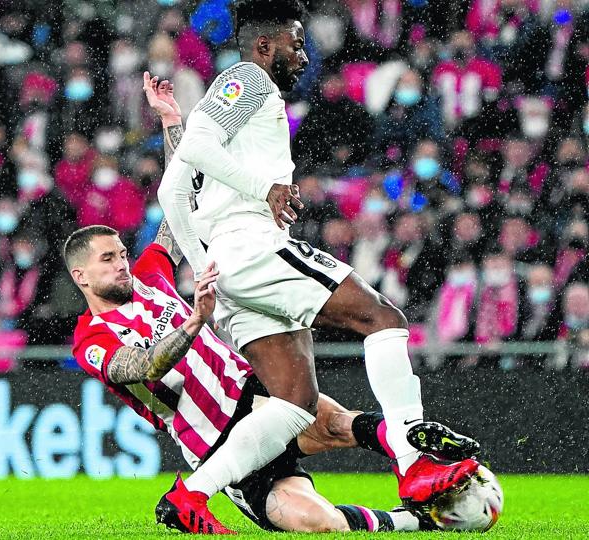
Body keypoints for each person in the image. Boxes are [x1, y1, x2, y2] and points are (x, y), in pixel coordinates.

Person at [67, 74, 479, 535]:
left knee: (336, 422)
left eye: (122, 253)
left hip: (249, 389)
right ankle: (416, 513)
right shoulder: (91, 339)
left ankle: (416, 455)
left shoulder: (151, 275)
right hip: (211, 438)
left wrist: (171, 123)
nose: (122, 264)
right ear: (80, 276)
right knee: (317, 522)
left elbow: (179, 201)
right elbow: (139, 367)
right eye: (109, 260)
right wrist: (194, 323)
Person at [157, 0, 479, 519]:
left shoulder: (238, 108)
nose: (305, 53)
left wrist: (205, 269)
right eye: (296, 41)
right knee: (381, 318)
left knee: (293, 405)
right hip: (253, 246)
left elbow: (171, 191)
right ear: (265, 45)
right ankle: (415, 462)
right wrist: (266, 189)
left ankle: (191, 494)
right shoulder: (247, 79)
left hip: (229, 267)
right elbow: (194, 144)